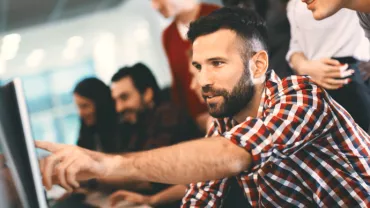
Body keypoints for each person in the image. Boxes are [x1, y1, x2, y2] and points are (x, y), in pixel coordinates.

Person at [37, 8, 370, 207]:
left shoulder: (300, 97)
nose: (202, 80)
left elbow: (230, 155)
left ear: (257, 66)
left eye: (217, 63)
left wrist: (105, 165)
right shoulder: (222, 126)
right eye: (198, 67)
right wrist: (151, 203)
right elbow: (201, 196)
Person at [105, 63, 201, 207]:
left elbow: (147, 176)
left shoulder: (168, 114)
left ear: (148, 93)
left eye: (124, 98)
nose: (119, 108)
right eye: (116, 101)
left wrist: (91, 177)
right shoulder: (137, 123)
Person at [287, 0, 370, 131]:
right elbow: (295, 45)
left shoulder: (350, 9)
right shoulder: (294, 5)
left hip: (348, 78)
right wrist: (304, 66)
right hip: (311, 84)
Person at [152, 0, 219, 132]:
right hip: (195, 124)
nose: (154, 6)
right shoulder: (168, 35)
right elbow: (178, 86)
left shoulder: (215, 15)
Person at [73, 78, 120, 153]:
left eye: (85, 106)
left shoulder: (123, 130)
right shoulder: (87, 133)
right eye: (78, 107)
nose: (80, 113)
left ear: (100, 104)